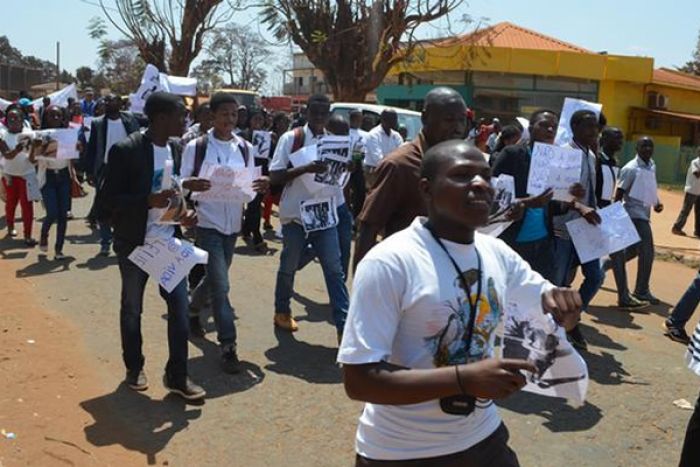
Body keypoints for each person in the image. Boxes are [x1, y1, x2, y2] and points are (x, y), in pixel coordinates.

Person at [338, 139, 582, 467]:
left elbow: (548, 305)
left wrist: (566, 309)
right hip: (402, 452)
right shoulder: (391, 262)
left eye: (485, 176)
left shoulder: (497, 253)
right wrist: (464, 378)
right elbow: (360, 380)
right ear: (426, 189)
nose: (481, 184)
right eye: (463, 176)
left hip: (482, 437)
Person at [102, 91, 205, 400]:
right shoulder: (126, 150)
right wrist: (145, 201)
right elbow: (107, 203)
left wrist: (181, 215)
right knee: (132, 309)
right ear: (161, 118)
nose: (185, 121)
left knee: (179, 307)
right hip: (135, 244)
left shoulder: (175, 147)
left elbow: (170, 191)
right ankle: (134, 368)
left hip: (167, 243)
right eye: (180, 116)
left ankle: (178, 376)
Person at [182, 92, 268, 373]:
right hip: (207, 222)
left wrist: (259, 185)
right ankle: (228, 345)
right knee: (222, 286)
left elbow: (251, 188)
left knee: (215, 277)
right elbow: (181, 182)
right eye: (224, 114)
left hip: (233, 224)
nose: (229, 120)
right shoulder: (197, 146)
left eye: (234, 115)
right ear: (212, 116)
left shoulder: (245, 147)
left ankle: (192, 309)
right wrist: (191, 184)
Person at [353, 87, 467, 271]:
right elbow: (368, 230)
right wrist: (362, 290)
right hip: (405, 276)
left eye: (462, 120)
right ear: (425, 117)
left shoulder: (459, 164)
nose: (458, 128)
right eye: (449, 120)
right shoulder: (399, 165)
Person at [269, 94, 349, 339]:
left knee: (334, 270)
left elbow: (337, 182)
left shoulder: (334, 142)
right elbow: (275, 176)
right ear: (306, 112)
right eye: (314, 113)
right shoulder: (291, 139)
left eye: (323, 114)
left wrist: (344, 170)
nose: (319, 118)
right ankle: (282, 311)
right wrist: (306, 168)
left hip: (324, 213)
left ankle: (344, 327)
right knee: (289, 266)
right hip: (295, 214)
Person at [551, 110, 605, 350]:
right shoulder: (564, 154)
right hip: (563, 228)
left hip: (586, 228)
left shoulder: (592, 155)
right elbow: (553, 192)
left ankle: (571, 319)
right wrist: (577, 203)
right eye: (588, 127)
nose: (594, 131)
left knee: (595, 275)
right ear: (574, 127)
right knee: (560, 281)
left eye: (595, 127)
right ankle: (557, 329)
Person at [492, 110, 559, 280]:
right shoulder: (512, 155)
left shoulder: (556, 160)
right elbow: (493, 197)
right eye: (544, 125)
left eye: (554, 127)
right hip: (513, 239)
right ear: (530, 128)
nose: (550, 130)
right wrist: (528, 202)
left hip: (542, 240)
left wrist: (571, 198)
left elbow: (554, 206)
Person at [597, 128, 648, 309]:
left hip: (608, 211)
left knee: (625, 250)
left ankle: (623, 297)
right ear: (604, 139)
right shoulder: (596, 159)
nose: (620, 141)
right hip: (595, 212)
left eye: (621, 137)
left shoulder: (613, 162)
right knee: (576, 260)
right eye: (616, 138)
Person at [85, 94, 141, 256]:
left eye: (112, 100)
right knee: (103, 207)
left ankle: (121, 239)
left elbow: (139, 139)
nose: (108, 103)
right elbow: (93, 147)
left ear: (119, 103)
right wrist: (89, 170)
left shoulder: (130, 119)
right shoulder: (98, 123)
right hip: (105, 169)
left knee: (125, 207)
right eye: (106, 101)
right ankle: (105, 242)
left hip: (128, 169)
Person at [612, 136, 664, 306]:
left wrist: (656, 202)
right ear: (637, 148)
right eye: (644, 145)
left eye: (650, 145)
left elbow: (649, 188)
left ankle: (604, 266)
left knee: (633, 251)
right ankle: (641, 291)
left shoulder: (652, 165)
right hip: (633, 214)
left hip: (645, 212)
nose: (648, 148)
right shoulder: (630, 169)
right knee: (648, 251)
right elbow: (619, 195)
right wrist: (615, 219)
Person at [37, 105, 77, 260]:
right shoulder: (41, 135)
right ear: (46, 118)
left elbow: (71, 158)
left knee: (63, 215)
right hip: (48, 177)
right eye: (51, 116)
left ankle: (59, 249)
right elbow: (33, 159)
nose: (55, 118)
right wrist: (37, 149)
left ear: (62, 118)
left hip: (64, 177)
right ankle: (44, 235)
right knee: (52, 212)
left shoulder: (67, 134)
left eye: (58, 116)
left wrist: (76, 148)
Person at [0, 104, 39, 246]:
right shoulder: (2, 135)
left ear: (22, 119)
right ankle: (10, 227)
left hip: (27, 174)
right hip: (10, 175)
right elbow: (7, 155)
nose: (13, 121)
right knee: (11, 203)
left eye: (16, 118)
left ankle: (27, 235)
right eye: (10, 118)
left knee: (27, 206)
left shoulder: (30, 134)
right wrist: (17, 150)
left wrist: (34, 147)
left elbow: (33, 160)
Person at [240, 108, 270, 251]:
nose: (258, 122)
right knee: (253, 206)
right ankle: (256, 236)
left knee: (255, 205)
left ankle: (248, 230)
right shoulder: (243, 136)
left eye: (260, 119)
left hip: (261, 174)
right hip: (246, 174)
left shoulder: (267, 137)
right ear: (250, 121)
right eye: (255, 119)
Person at [263, 112, 291, 231]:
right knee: (270, 196)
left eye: (286, 122)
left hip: (286, 170)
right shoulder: (269, 136)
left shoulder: (291, 137)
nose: (283, 124)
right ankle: (267, 220)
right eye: (281, 121)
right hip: (271, 168)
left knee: (283, 196)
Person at [363, 109, 403, 188]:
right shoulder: (373, 135)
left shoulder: (396, 136)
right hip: (374, 172)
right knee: (375, 197)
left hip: (391, 170)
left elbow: (402, 153)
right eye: (393, 119)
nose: (396, 121)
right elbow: (378, 158)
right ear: (383, 119)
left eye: (396, 119)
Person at [673, 148, 700, 237]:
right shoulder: (695, 162)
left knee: (699, 212)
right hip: (692, 190)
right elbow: (697, 174)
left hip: (699, 191)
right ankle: (677, 227)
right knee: (686, 210)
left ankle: (698, 231)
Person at [348, 109, 369, 218]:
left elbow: (362, 151)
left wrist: (356, 159)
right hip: (346, 166)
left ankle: (356, 217)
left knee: (360, 193)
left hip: (358, 165)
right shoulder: (344, 132)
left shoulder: (365, 134)